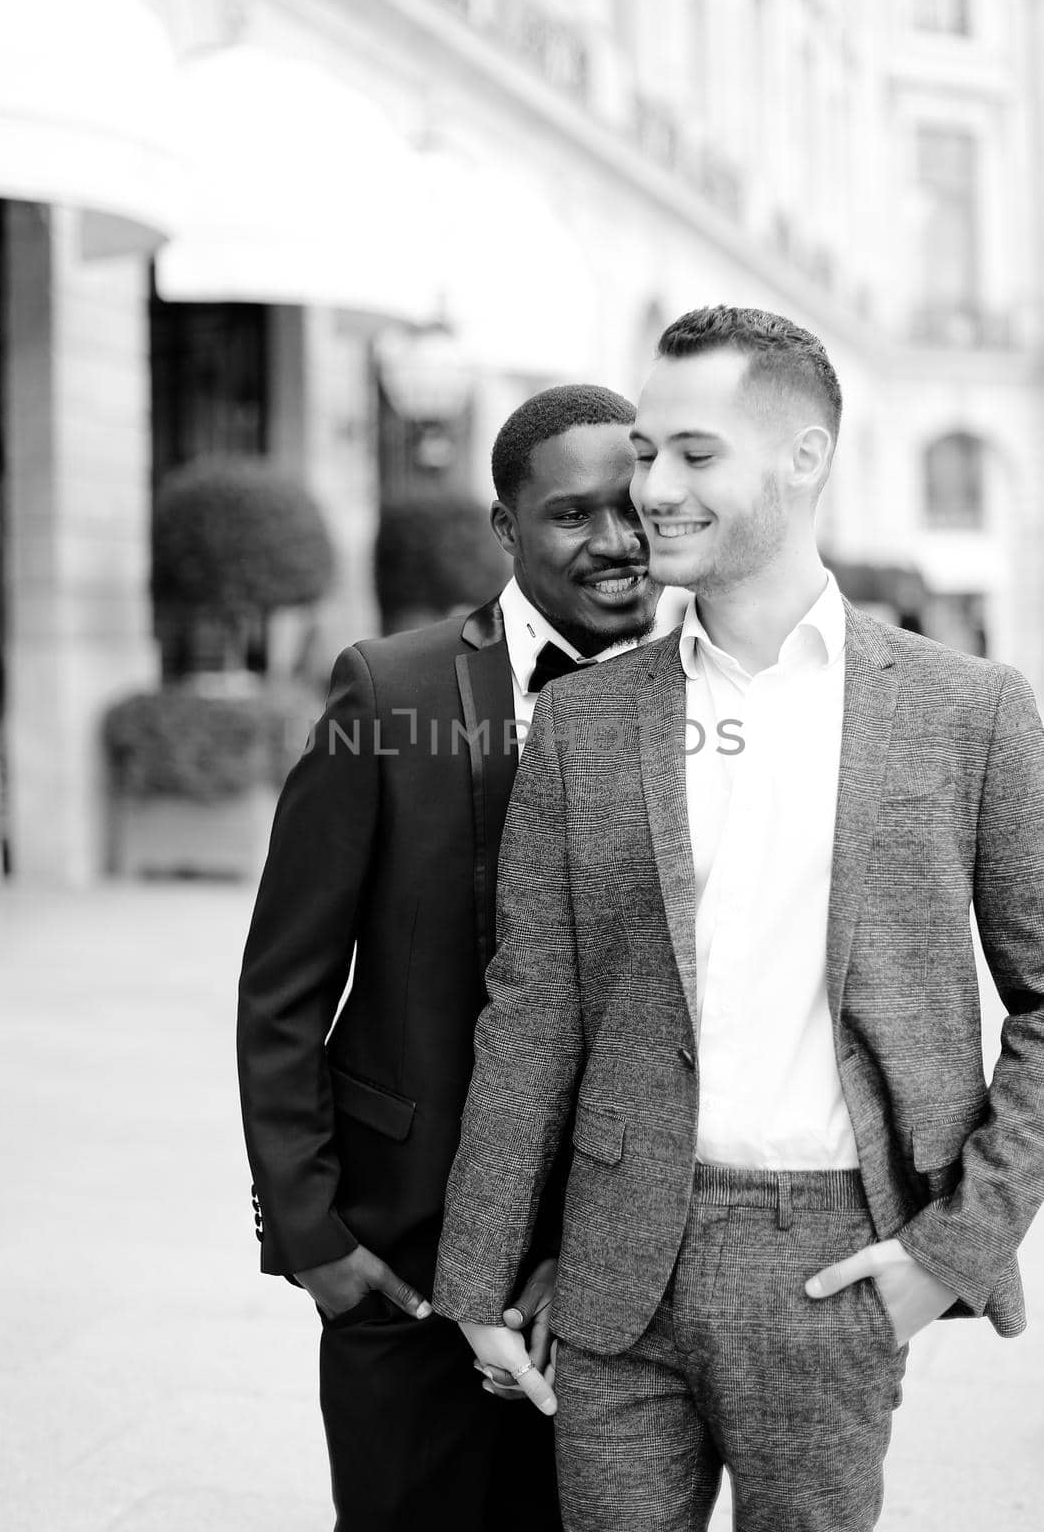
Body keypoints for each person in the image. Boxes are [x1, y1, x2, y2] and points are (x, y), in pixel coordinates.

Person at [434, 307, 1044, 1531]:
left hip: (830, 1255)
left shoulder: (964, 713)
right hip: (611, 1267)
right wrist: (475, 1278)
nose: (650, 487)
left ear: (802, 457)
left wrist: (949, 1251)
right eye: (647, 450)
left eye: (692, 454)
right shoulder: (588, 722)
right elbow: (533, 1007)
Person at [236, 383, 662, 1532]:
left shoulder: (707, 700)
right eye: (573, 514)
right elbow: (283, 983)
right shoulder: (391, 689)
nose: (617, 541)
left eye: (634, 507)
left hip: (625, 1283)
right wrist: (313, 1238)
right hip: (400, 1255)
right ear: (504, 528)